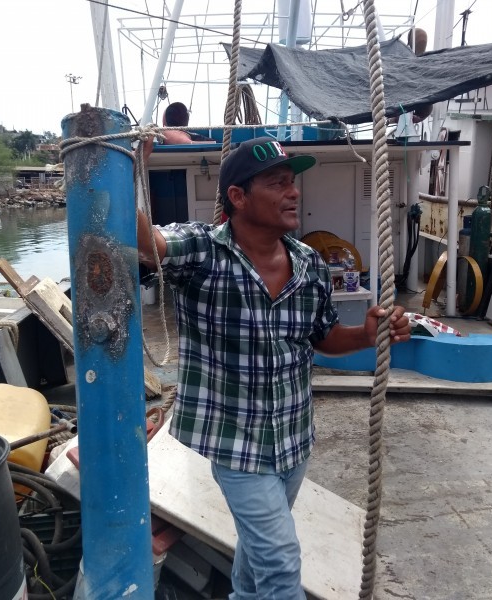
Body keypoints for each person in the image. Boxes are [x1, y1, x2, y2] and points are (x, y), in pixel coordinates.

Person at [136, 136, 411, 598]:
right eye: (277, 183)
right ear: (238, 198)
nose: (294, 192)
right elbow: (146, 244)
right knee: (281, 564)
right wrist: (128, 171)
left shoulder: (309, 265)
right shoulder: (204, 251)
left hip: (293, 437)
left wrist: (365, 335)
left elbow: (322, 339)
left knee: (258, 549)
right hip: (234, 443)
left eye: (293, 182)